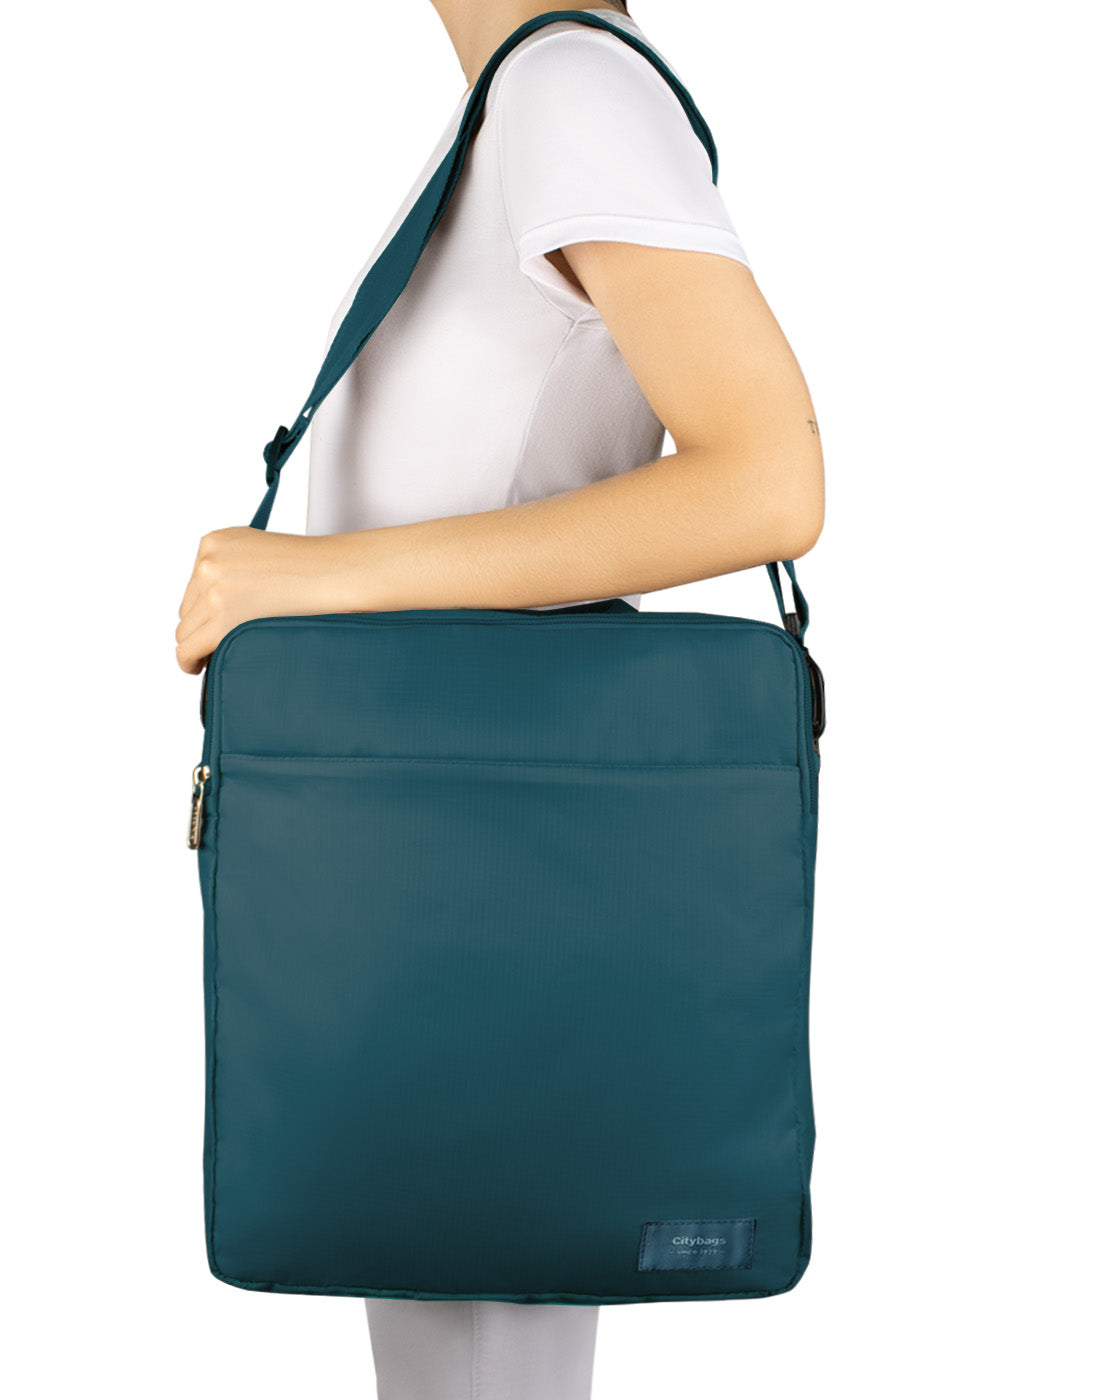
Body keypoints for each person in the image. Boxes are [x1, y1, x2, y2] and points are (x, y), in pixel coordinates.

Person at [175, 2, 824, 1395]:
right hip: (426, 886)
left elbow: (769, 480)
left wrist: (311, 579)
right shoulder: (512, 110)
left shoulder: (571, 91)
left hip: (487, 877)